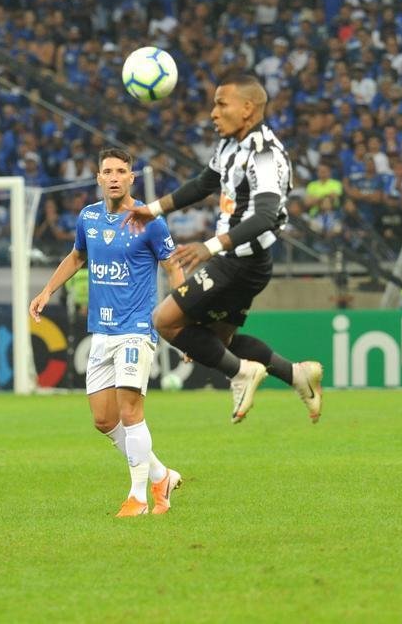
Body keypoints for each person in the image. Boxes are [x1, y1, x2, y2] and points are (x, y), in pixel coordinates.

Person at [125, 73, 323, 424]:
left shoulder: (265, 154)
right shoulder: (231, 145)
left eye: (221, 104)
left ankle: (242, 373)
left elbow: (265, 216)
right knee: (218, 344)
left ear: (247, 108)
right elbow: (203, 184)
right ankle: (296, 375)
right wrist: (152, 209)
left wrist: (210, 247)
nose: (213, 113)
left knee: (164, 321)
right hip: (240, 262)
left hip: (240, 262)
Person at [29, 148, 184, 517]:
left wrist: (183, 321)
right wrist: (47, 290)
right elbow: (77, 256)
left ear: (131, 177)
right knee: (103, 420)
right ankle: (161, 476)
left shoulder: (149, 220)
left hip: (137, 328)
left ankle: (138, 498)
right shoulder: (89, 217)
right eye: (108, 171)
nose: (114, 177)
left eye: (120, 171)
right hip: (102, 330)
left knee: (130, 412)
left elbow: (173, 268)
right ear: (98, 178)